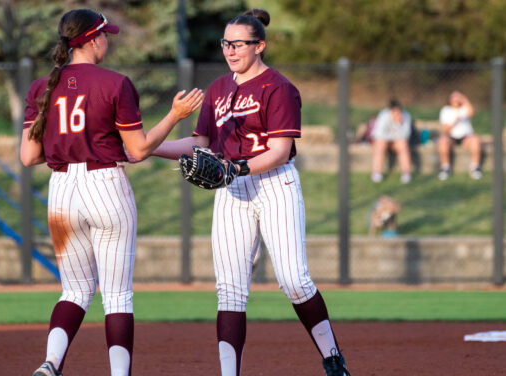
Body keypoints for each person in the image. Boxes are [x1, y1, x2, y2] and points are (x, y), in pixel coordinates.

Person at [152, 8, 349, 376]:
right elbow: (200, 144)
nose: (230, 50)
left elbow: (279, 151)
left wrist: (234, 166)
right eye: (226, 43)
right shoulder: (217, 89)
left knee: (293, 279)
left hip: (276, 184)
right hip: (231, 189)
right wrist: (148, 147)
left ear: (260, 45)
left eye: (238, 44)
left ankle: (332, 357)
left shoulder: (280, 88)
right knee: (229, 289)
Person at [20, 9, 203, 376]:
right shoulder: (114, 83)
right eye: (105, 35)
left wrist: (67, 143)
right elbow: (137, 150)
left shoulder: (43, 86)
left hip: (61, 192)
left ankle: (51, 362)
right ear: (90, 40)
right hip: (105, 185)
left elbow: (29, 156)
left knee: (74, 291)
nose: (108, 40)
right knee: (117, 295)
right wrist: (174, 116)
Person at [437, 90, 482, 180]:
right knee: (442, 141)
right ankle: (445, 168)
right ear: (450, 99)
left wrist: (464, 100)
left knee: (475, 140)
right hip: (451, 137)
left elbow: (471, 112)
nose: (456, 99)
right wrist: (455, 121)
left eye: (458, 96)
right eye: (454, 96)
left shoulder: (465, 108)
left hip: (466, 136)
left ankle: (475, 168)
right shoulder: (446, 110)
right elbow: (445, 129)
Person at [370, 99, 413, 184]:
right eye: (395, 113)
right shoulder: (383, 116)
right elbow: (378, 135)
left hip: (398, 142)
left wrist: (398, 125)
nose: (398, 115)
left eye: (399, 112)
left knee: (402, 145)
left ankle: (406, 173)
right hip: (384, 142)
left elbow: (405, 135)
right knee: (380, 145)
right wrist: (393, 136)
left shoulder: (406, 116)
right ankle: (376, 173)